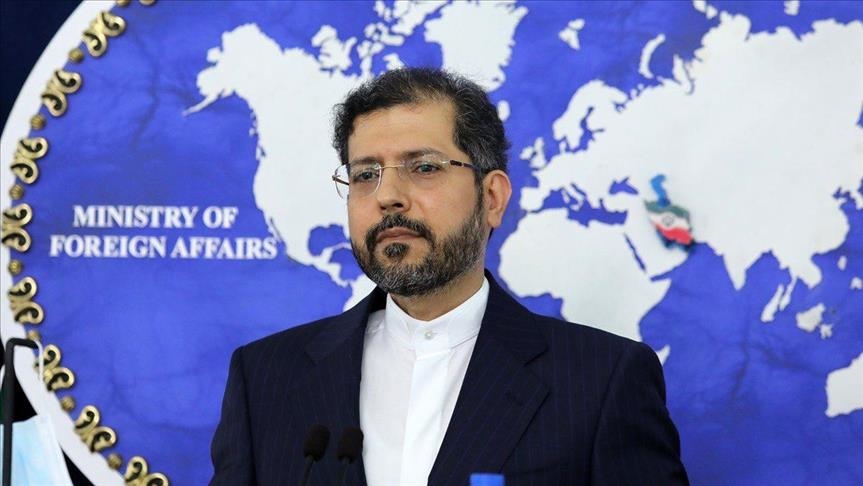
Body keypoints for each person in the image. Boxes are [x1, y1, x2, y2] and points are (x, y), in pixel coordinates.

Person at [210, 68, 689, 486]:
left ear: (492, 198)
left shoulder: (601, 381)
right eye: (365, 174)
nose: (388, 196)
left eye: (424, 167)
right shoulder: (266, 378)